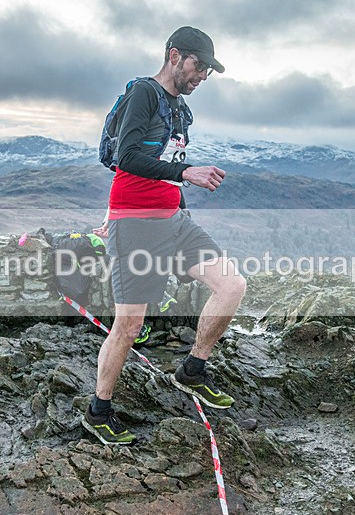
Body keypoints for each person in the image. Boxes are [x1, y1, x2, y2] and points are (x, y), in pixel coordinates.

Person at [82, 26, 247, 445]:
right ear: (175, 55)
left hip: (173, 218)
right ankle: (98, 411)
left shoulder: (178, 108)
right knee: (130, 324)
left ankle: (192, 370)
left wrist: (180, 199)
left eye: (209, 70)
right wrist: (185, 173)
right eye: (200, 65)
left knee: (231, 285)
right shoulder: (144, 93)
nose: (203, 76)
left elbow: (165, 159)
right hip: (135, 221)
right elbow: (128, 157)